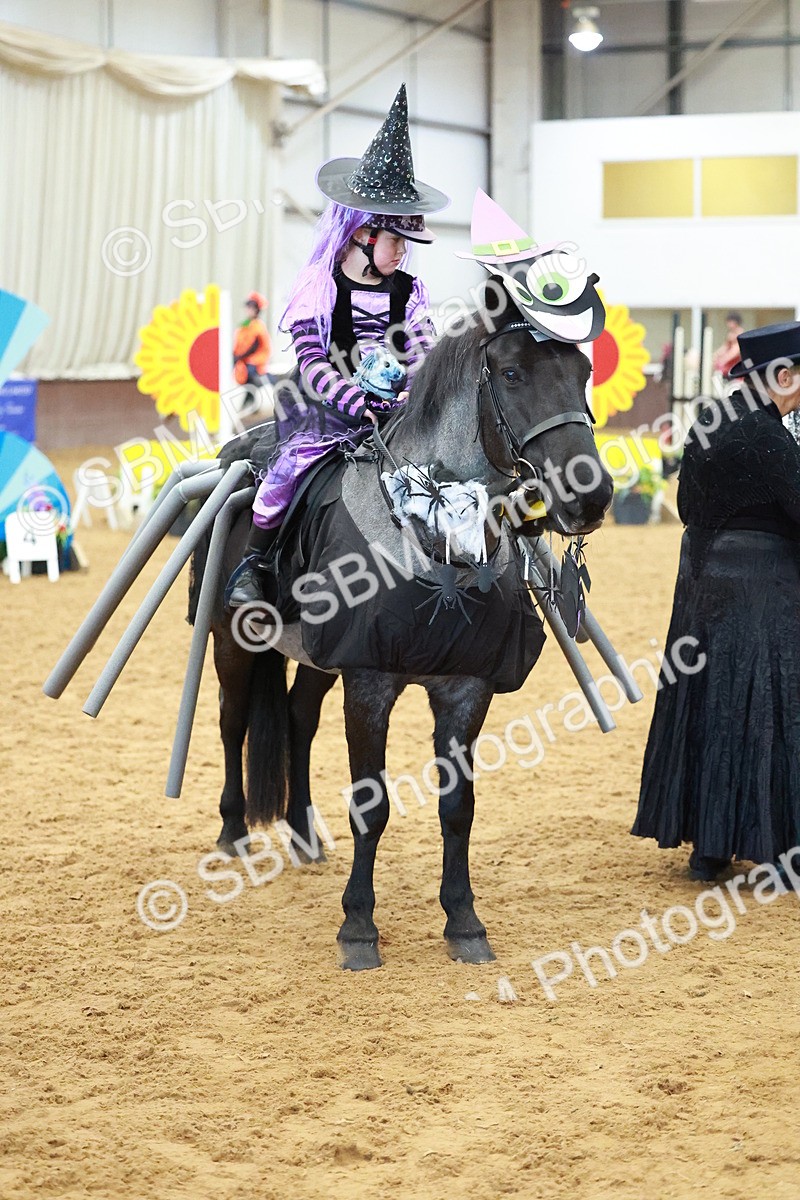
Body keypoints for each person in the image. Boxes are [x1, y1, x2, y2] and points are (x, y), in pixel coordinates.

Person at [227, 83, 448, 608]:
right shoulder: (318, 286)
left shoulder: (410, 291)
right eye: (395, 240)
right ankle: (253, 566)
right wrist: (356, 401)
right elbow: (312, 362)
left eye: (405, 243)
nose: (402, 252)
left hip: (393, 416)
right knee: (289, 471)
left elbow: (422, 354)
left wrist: (409, 398)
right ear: (360, 234)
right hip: (319, 411)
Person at [632, 322, 800, 881]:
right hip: (764, 590)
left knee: (706, 705)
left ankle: (708, 848)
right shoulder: (769, 435)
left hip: (701, 585)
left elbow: (686, 504)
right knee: (766, 710)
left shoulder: (709, 419)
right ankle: (775, 849)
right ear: (780, 376)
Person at [233, 292, 271, 387]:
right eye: (248, 307)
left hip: (255, 361)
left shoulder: (258, 325)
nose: (249, 310)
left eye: (252, 307)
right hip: (245, 360)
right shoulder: (245, 325)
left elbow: (254, 346)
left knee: (250, 375)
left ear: (257, 310)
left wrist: (239, 357)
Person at [712, 310, 744, 376]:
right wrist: (716, 355)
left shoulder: (739, 333)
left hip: (734, 362)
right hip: (728, 361)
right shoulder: (730, 334)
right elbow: (725, 347)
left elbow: (736, 350)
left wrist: (724, 359)